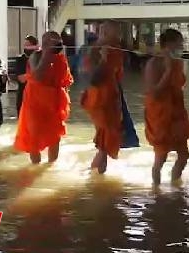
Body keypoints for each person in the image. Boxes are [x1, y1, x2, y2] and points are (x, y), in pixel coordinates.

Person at [144, 29, 189, 185]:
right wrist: (167, 71)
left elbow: (180, 85)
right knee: (161, 157)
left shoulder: (177, 61)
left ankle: (175, 185)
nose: (182, 46)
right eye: (180, 43)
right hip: (160, 113)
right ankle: (156, 190)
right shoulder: (154, 63)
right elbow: (154, 93)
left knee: (184, 155)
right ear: (170, 44)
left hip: (177, 113)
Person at [14, 31, 73, 164]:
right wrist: (47, 55)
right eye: (53, 42)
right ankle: (35, 168)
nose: (57, 45)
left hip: (54, 103)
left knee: (55, 135)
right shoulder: (35, 56)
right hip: (34, 102)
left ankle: (50, 167)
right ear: (45, 43)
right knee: (34, 136)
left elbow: (65, 81)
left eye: (58, 43)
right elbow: (37, 76)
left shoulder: (60, 58)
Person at [81, 21, 126, 174]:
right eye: (117, 33)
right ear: (105, 33)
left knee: (106, 140)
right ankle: (88, 174)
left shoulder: (116, 49)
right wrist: (103, 59)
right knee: (105, 141)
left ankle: (98, 175)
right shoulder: (94, 51)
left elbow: (117, 76)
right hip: (98, 100)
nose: (119, 37)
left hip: (112, 98)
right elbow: (93, 79)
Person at [15, 35, 39, 116]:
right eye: (25, 45)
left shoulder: (40, 59)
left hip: (37, 96)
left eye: (28, 45)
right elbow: (21, 79)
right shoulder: (20, 59)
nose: (26, 47)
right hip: (23, 95)